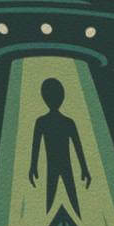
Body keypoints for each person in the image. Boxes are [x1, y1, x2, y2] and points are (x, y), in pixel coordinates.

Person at [29, 77, 92, 215]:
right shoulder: (56, 122)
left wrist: (85, 169)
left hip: (62, 165)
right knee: (53, 201)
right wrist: (33, 166)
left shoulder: (52, 122)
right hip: (58, 165)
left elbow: (78, 148)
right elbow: (36, 146)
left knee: (70, 201)